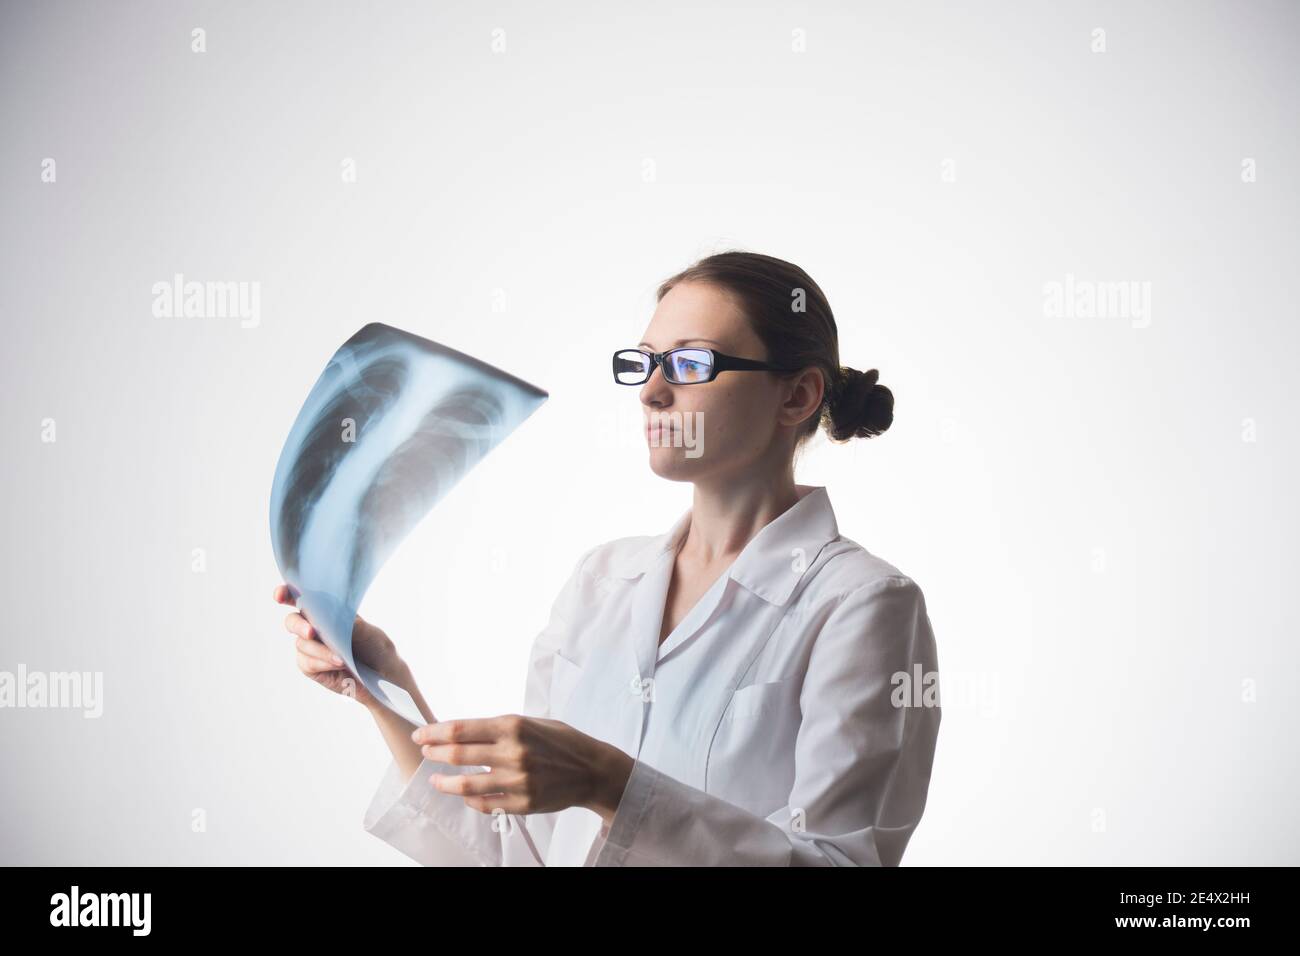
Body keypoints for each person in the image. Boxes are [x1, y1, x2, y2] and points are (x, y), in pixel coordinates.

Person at [275, 250, 941, 866]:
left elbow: (839, 863)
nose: (651, 392)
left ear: (797, 396)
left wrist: (610, 782)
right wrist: (385, 689)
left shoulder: (863, 605)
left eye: (689, 364)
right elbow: (517, 852)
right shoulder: (602, 581)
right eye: (644, 362)